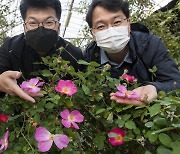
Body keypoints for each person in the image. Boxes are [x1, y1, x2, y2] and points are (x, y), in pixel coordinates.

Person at [83, 0, 180, 106]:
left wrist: (155, 88)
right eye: (101, 26)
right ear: (93, 33)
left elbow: (175, 83)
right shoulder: (89, 58)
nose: (111, 30)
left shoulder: (150, 45)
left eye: (116, 22)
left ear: (128, 23)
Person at [0, 0, 84, 103]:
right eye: (32, 23)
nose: (41, 29)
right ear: (24, 27)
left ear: (59, 26)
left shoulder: (74, 55)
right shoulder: (9, 48)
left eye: (49, 22)